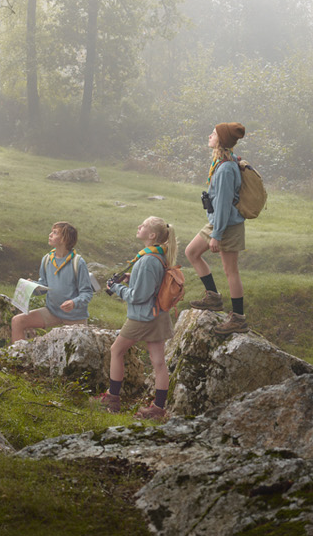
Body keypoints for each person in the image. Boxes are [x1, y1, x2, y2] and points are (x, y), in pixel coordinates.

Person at [97, 215, 176, 421]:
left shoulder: (148, 260)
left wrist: (116, 288)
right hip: (158, 314)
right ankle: (158, 408)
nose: (138, 226)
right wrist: (130, 278)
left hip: (143, 317)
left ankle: (113, 398)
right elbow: (151, 284)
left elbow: (139, 296)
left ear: (151, 235)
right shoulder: (156, 255)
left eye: (143, 225)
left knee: (117, 350)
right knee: (158, 361)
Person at [185, 121, 251, 334]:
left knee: (231, 271)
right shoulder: (226, 162)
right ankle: (213, 297)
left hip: (227, 225)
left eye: (213, 134)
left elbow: (223, 204)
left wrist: (217, 235)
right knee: (192, 252)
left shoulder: (225, 169)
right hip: (217, 221)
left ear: (221, 140)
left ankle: (238, 318)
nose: (209, 136)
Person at [10, 222, 95, 342]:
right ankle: (18, 357)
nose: (50, 235)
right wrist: (32, 286)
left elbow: (87, 293)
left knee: (73, 352)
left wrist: (73, 302)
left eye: (55, 233)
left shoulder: (78, 262)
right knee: (17, 321)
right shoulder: (47, 259)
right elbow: (44, 285)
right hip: (52, 311)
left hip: (75, 316)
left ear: (65, 239)